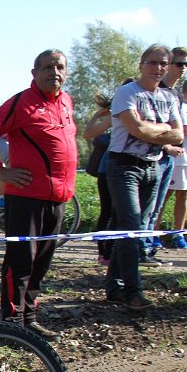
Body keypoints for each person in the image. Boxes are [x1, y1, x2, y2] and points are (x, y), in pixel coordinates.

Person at [0, 49, 78, 341]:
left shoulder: (66, 101)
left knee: (42, 262)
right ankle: (13, 324)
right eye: (47, 67)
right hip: (26, 196)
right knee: (21, 261)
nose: (54, 72)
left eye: (60, 67)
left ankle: (29, 319)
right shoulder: (22, 102)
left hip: (58, 198)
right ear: (34, 73)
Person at [104, 44, 183, 310]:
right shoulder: (127, 92)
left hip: (153, 166)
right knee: (131, 226)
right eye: (153, 62)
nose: (158, 68)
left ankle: (114, 287)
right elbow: (136, 129)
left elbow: (179, 135)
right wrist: (164, 128)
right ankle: (132, 292)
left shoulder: (169, 97)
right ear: (141, 64)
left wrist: (154, 129)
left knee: (136, 227)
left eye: (163, 63)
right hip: (124, 166)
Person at [143, 46, 187, 261]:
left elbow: (177, 129)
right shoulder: (154, 89)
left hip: (170, 158)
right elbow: (146, 128)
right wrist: (166, 145)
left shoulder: (176, 94)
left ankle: (149, 246)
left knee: (156, 206)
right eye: (179, 64)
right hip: (153, 157)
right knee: (149, 206)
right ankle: (142, 247)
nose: (183, 68)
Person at [83, 92, 115, 265]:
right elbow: (87, 134)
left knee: (115, 212)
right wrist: (96, 116)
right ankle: (104, 253)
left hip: (130, 166)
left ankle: (110, 252)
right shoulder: (116, 115)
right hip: (108, 168)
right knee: (108, 211)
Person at [165, 77, 187, 249]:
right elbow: (183, 129)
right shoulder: (179, 106)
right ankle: (153, 234)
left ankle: (179, 234)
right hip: (178, 159)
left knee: (184, 195)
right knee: (165, 195)